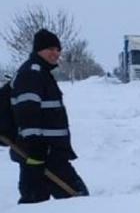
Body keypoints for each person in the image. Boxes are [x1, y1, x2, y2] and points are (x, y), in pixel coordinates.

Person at [9, 29, 89, 203]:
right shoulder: (32, 73)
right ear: (38, 50)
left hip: (47, 153)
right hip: (42, 153)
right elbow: (27, 112)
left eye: (57, 49)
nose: (55, 53)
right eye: (50, 49)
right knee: (78, 199)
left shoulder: (41, 73)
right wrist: (36, 150)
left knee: (36, 200)